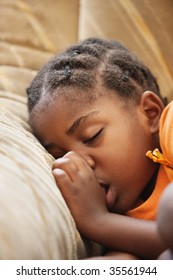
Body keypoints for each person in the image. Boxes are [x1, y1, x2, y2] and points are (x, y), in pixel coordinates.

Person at [26, 37, 173, 259]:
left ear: (150, 114)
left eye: (91, 137)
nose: (81, 163)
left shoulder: (169, 126)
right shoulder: (124, 223)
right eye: (60, 155)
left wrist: (98, 222)